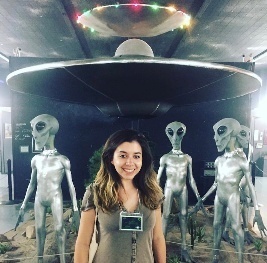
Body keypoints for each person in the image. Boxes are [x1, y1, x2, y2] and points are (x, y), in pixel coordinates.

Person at [74, 129, 166, 263]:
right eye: (123, 156)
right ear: (111, 158)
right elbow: (82, 243)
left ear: (143, 159)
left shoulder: (153, 193)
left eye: (136, 156)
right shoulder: (96, 193)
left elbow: (157, 238)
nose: (130, 162)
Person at [192, 118, 266, 263]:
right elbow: (215, 183)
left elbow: (250, 184)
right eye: (215, 134)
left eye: (220, 132)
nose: (215, 138)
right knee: (216, 225)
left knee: (236, 227)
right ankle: (215, 256)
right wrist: (201, 200)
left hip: (233, 197)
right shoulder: (218, 160)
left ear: (233, 134)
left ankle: (240, 260)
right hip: (219, 197)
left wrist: (257, 211)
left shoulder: (241, 160)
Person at [15, 114, 80, 263]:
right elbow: (32, 184)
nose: (35, 135)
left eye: (39, 128)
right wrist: (23, 205)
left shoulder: (62, 160)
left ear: (51, 130)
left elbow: (71, 186)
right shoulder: (36, 159)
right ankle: (39, 260)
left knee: (59, 229)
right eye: (33, 130)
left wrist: (76, 210)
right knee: (39, 229)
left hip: (55, 197)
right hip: (39, 198)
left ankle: (63, 260)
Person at [157, 121, 203, 263]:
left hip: (182, 189)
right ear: (167, 135)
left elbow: (191, 180)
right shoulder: (165, 158)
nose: (175, 137)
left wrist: (198, 197)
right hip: (169, 188)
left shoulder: (187, 158)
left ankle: (184, 249)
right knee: (165, 216)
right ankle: (160, 249)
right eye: (171, 133)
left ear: (184, 134)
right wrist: (154, 196)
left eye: (179, 132)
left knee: (183, 216)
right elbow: (158, 179)